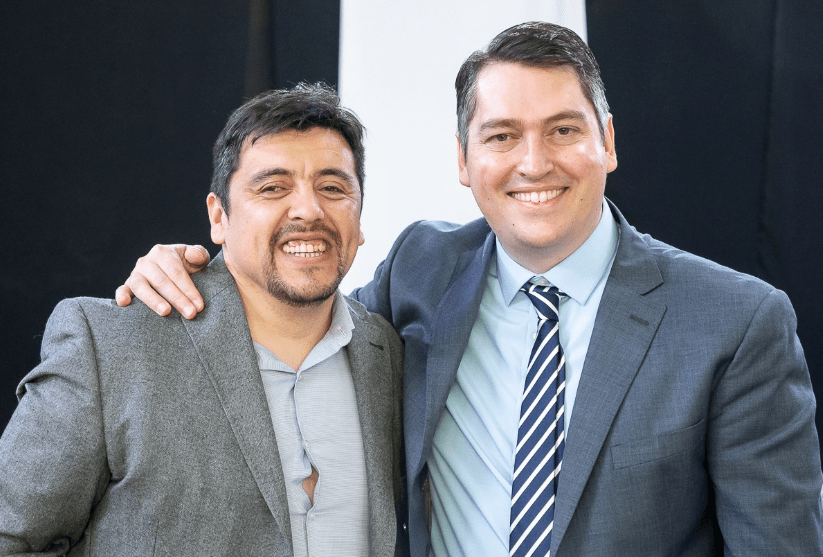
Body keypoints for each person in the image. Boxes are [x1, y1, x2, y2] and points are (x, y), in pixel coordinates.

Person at [115, 22, 823, 556]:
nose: (533, 163)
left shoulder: (735, 322)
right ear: (463, 159)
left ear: (607, 141)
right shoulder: (422, 269)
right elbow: (297, 328)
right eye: (502, 136)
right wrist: (197, 274)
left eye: (563, 130)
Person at [0, 84, 406, 557]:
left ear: (359, 217)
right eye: (272, 187)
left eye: (333, 189)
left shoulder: (387, 356)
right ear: (219, 217)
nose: (308, 210)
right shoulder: (110, 347)